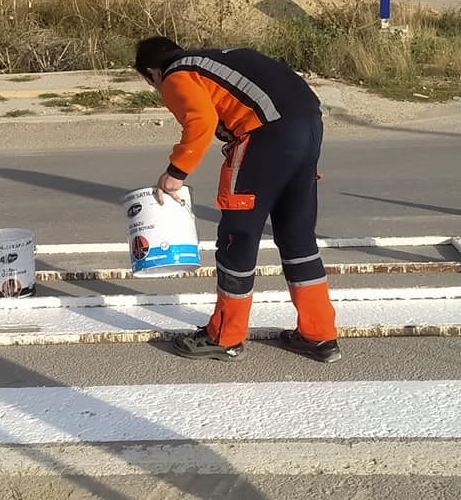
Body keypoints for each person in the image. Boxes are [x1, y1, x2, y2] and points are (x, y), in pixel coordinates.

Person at [134, 37, 340, 363]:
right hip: (310, 126)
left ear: (151, 72)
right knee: (297, 236)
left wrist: (175, 172)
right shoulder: (220, 60)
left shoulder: (176, 74)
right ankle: (319, 335)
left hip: (265, 137)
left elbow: (200, 121)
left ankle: (224, 336)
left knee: (237, 237)